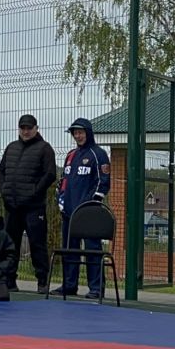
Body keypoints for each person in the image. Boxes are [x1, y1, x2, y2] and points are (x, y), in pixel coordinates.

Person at [0, 114, 57, 293]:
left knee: (37, 244)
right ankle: (9, 280)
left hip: (33, 207)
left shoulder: (44, 149)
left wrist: (34, 192)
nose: (26, 131)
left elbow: (50, 174)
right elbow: (1, 171)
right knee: (10, 245)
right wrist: (4, 190)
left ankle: (42, 281)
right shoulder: (11, 148)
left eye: (29, 128)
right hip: (12, 207)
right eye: (23, 128)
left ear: (36, 128)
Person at [56, 117, 111, 298]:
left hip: (88, 214)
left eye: (81, 132)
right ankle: (69, 285)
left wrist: (90, 204)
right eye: (75, 133)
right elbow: (63, 182)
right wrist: (61, 200)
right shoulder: (71, 155)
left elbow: (103, 183)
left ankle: (96, 288)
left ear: (88, 133)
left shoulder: (98, 154)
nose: (78, 136)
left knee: (92, 251)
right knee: (70, 250)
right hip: (69, 213)